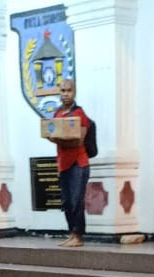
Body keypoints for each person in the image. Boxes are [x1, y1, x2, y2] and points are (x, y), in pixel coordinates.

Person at [47, 78, 90, 248]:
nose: (65, 94)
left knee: (76, 200)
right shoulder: (57, 114)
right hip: (63, 164)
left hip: (79, 163)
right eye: (63, 91)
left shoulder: (79, 114)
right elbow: (52, 134)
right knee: (66, 202)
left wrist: (58, 140)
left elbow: (79, 141)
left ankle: (78, 235)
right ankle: (71, 233)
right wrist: (53, 139)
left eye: (69, 90)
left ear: (74, 92)